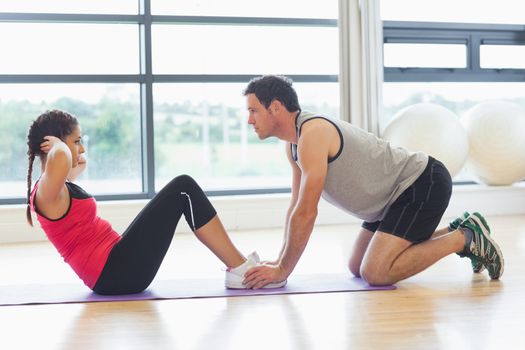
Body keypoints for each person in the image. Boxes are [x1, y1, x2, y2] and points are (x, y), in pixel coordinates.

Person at [240, 75, 504, 289]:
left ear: (275, 107)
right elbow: (296, 207)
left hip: (421, 183)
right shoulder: (294, 145)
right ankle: (459, 229)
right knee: (357, 266)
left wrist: (283, 270)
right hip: (390, 199)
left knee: (375, 272)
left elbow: (307, 212)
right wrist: (279, 261)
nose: (250, 119)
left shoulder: (314, 133)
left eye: (253, 110)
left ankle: (465, 238)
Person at [26, 109, 285, 295]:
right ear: (53, 146)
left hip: (115, 268)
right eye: (77, 141)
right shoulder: (47, 192)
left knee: (182, 189)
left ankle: (238, 266)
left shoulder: (54, 187)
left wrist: (67, 148)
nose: (81, 149)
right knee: (183, 188)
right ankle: (241, 270)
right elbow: (62, 157)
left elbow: (76, 163)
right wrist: (60, 145)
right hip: (116, 273)